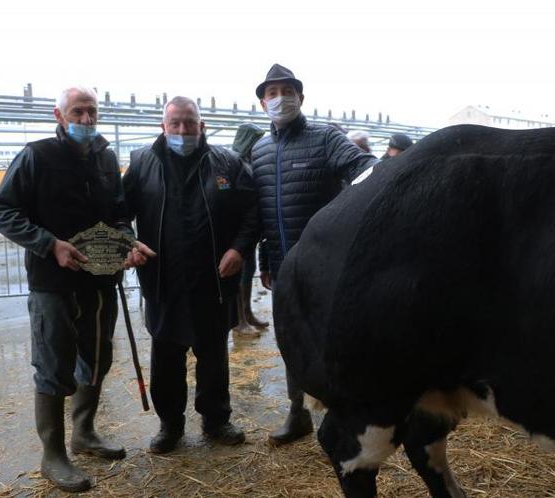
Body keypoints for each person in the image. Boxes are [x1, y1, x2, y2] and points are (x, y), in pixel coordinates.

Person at [0, 86, 154, 493]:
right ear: (58, 115)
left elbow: (117, 214)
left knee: (96, 357)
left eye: (91, 112)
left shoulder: (105, 158)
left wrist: (127, 241)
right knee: (53, 364)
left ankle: (84, 433)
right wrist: (49, 244)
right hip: (53, 282)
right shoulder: (37, 155)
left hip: (100, 279)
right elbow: (1, 211)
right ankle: (53, 455)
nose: (86, 119)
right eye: (77, 112)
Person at [251, 63, 379, 446]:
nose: (280, 99)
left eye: (287, 91)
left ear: (301, 97)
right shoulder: (259, 150)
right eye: (271, 93)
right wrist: (265, 263)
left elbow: (367, 169)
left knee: (332, 338)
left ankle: (345, 414)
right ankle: (297, 414)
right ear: (261, 103)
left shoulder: (326, 138)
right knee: (292, 340)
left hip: (326, 266)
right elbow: (262, 213)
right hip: (282, 267)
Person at [123, 96, 258, 454]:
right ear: (163, 127)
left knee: (213, 352)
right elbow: (120, 213)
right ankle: (170, 425)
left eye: (189, 123)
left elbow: (252, 211)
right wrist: (127, 241)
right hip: (163, 279)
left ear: (202, 126)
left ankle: (216, 420)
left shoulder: (226, 162)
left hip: (212, 279)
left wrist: (239, 249)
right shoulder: (142, 163)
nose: (183, 130)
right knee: (166, 354)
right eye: (175, 124)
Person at [231, 123, 268, 334]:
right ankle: (239, 321)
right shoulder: (233, 160)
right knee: (240, 272)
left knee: (248, 270)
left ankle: (247, 312)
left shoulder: (248, 161)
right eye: (255, 140)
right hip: (237, 229)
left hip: (249, 229)